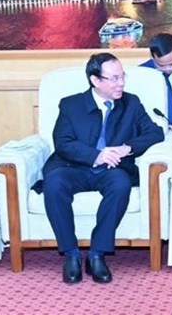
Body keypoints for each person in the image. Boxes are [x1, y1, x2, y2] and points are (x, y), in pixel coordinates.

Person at [42, 53, 164, 284]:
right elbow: (63, 143)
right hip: (74, 166)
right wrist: (96, 155)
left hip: (112, 170)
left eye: (122, 76)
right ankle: (71, 254)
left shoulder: (131, 103)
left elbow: (154, 133)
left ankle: (97, 254)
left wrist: (127, 148)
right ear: (95, 80)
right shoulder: (71, 104)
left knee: (121, 183)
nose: (121, 83)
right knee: (54, 183)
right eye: (114, 78)